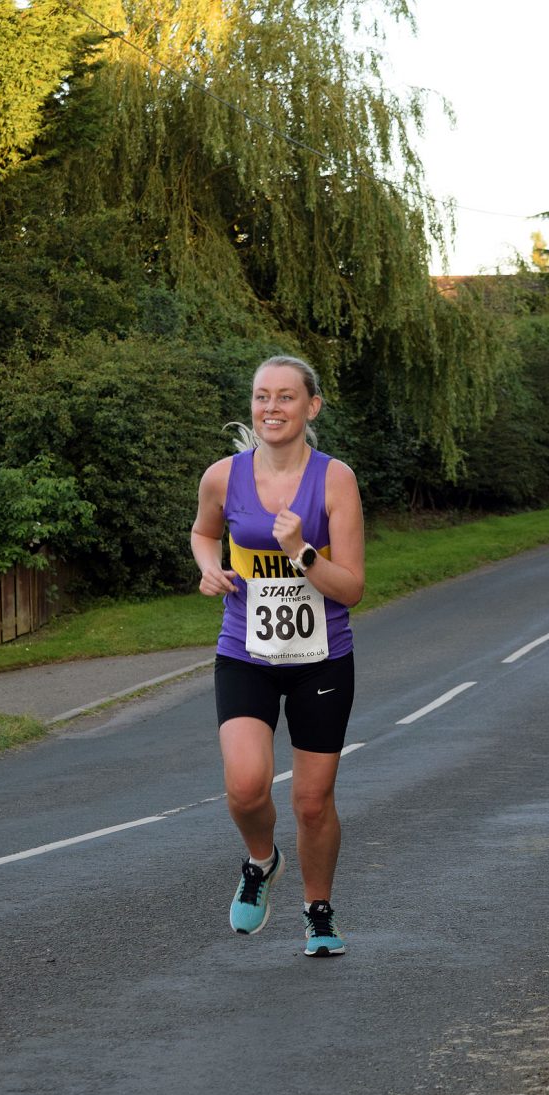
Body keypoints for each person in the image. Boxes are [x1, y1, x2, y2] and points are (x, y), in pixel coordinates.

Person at [191, 355, 365, 956]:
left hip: (321, 657)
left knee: (312, 802)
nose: (271, 408)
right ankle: (261, 862)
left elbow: (352, 588)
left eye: (286, 397)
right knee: (244, 787)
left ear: (311, 407)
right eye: (262, 396)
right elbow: (203, 532)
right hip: (245, 652)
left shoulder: (335, 479)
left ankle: (318, 911)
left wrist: (302, 552)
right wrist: (210, 568)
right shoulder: (223, 476)